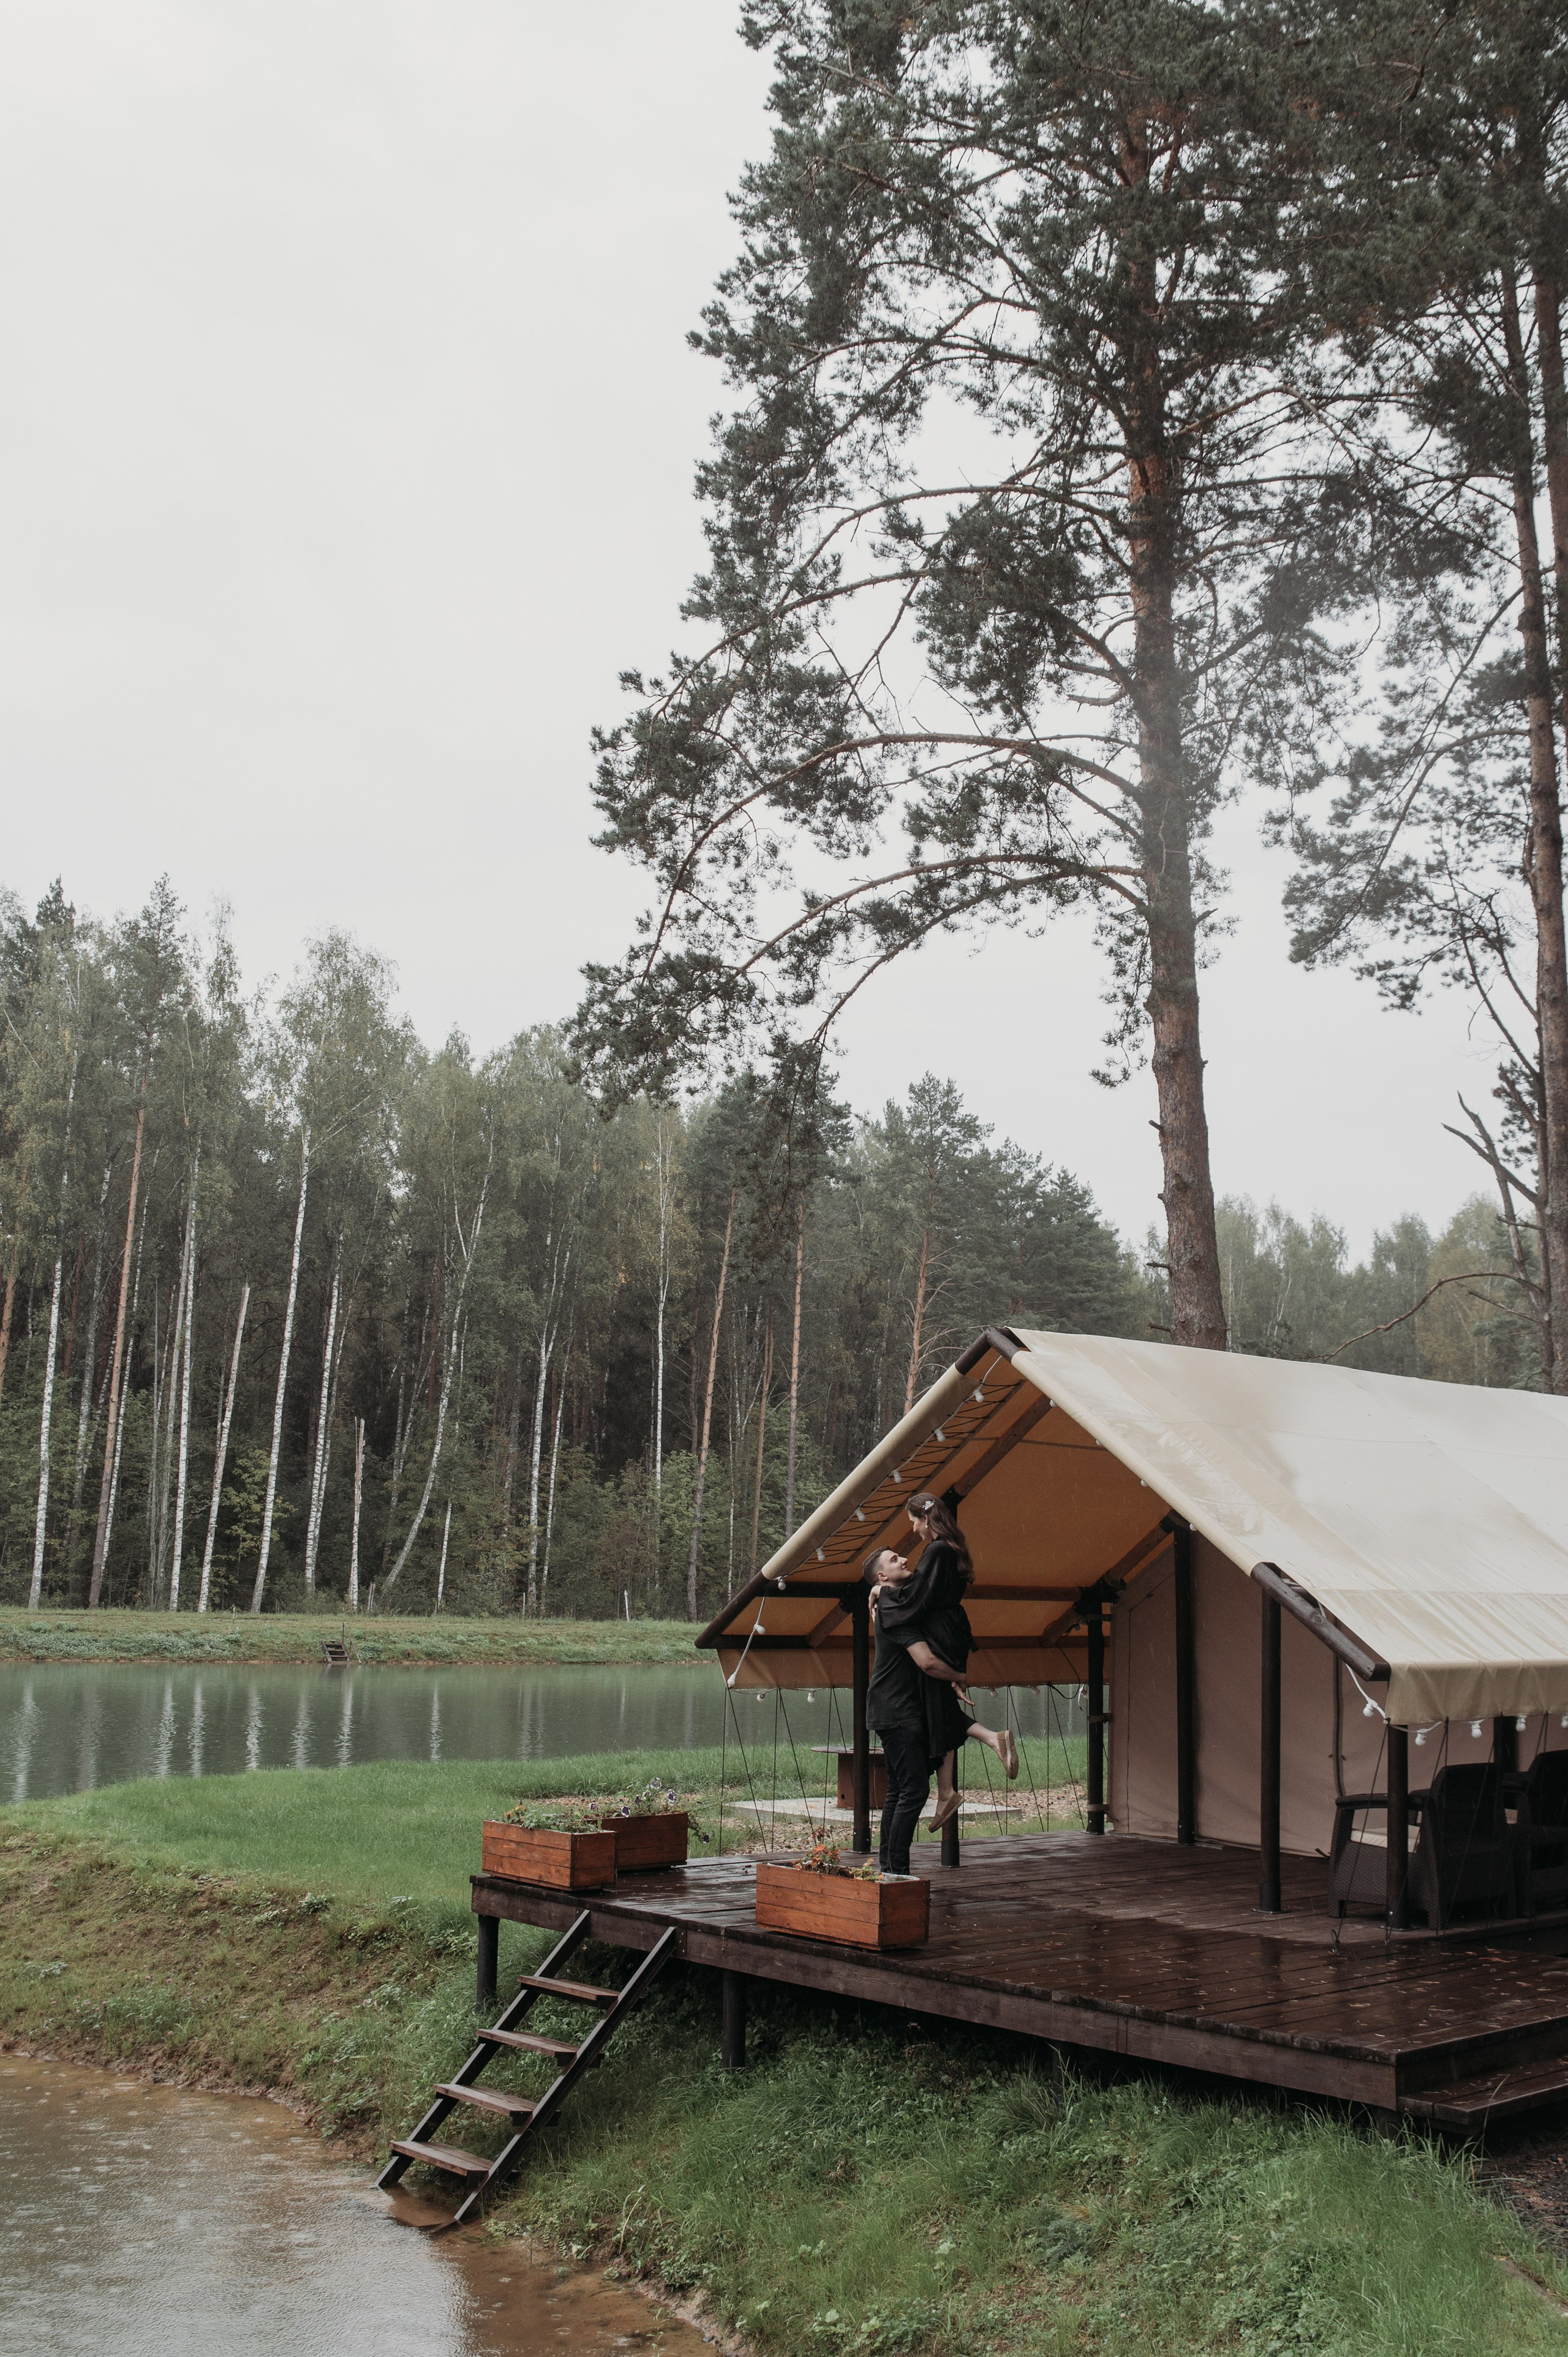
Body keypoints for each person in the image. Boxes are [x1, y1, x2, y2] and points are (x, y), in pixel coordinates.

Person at [870, 1493, 1019, 1826]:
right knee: (939, 1706)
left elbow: (916, 1595)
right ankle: (954, 1783)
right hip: (950, 1630)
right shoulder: (950, 1547)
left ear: (926, 1519)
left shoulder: (936, 1551)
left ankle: (956, 1782)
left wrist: (882, 1592)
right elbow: (923, 1590)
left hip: (940, 1631)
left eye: (914, 1522)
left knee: (936, 1709)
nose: (914, 1529)